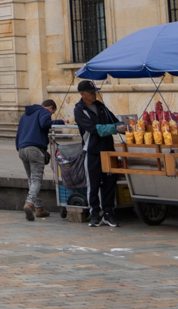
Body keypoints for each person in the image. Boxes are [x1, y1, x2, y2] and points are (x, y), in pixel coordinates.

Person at [73, 80, 125, 228]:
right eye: (91, 92)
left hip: (108, 150)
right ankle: (95, 213)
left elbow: (114, 121)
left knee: (110, 183)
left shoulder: (101, 106)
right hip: (92, 151)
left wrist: (124, 125)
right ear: (82, 94)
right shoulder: (79, 110)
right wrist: (115, 128)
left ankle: (109, 213)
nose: (94, 94)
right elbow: (93, 129)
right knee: (93, 183)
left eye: (95, 91)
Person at [16, 99, 64, 221]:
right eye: (52, 112)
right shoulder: (44, 111)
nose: (51, 114)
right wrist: (61, 122)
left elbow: (18, 133)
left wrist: (19, 148)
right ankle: (29, 203)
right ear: (50, 107)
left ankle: (39, 208)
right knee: (36, 179)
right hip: (35, 149)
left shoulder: (25, 115)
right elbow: (44, 123)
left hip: (22, 149)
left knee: (31, 179)